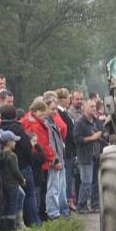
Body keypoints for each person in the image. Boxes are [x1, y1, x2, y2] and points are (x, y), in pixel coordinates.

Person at [0, 105, 38, 227]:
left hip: (7, 171)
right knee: (29, 194)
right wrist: (30, 161)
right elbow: (27, 147)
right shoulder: (17, 127)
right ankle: (32, 221)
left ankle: (16, 222)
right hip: (22, 166)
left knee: (15, 196)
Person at [21, 99, 51, 220]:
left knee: (40, 189)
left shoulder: (33, 121)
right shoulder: (33, 124)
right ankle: (38, 215)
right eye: (42, 113)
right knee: (38, 189)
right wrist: (46, 156)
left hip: (39, 157)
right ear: (36, 110)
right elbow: (41, 142)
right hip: (37, 159)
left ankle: (40, 213)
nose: (44, 116)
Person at [74, 99, 104, 213]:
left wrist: (101, 136)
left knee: (96, 182)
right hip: (85, 156)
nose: (94, 108)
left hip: (96, 155)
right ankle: (81, 205)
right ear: (85, 108)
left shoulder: (97, 121)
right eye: (91, 106)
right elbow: (77, 139)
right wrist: (92, 138)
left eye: (95, 106)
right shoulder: (80, 123)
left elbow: (102, 133)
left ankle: (95, 205)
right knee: (86, 182)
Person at [43, 92, 69, 220]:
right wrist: (55, 159)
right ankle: (53, 213)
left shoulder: (53, 122)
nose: (55, 112)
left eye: (56, 109)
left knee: (61, 188)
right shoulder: (47, 124)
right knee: (53, 188)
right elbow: (50, 143)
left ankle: (62, 211)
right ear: (45, 108)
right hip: (55, 161)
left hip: (60, 158)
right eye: (52, 109)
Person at [0, 130, 26, 231]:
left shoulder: (0, 155)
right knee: (12, 204)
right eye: (14, 140)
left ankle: (4, 225)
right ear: (9, 142)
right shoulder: (12, 155)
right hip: (13, 183)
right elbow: (15, 171)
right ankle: (10, 227)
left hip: (4, 184)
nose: (15, 142)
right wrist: (22, 179)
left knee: (7, 203)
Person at [56, 88, 77, 211]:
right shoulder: (61, 113)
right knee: (67, 176)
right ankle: (67, 199)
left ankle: (69, 198)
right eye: (66, 98)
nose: (68, 100)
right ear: (60, 100)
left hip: (70, 148)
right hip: (67, 148)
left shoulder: (64, 112)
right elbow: (68, 131)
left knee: (69, 176)